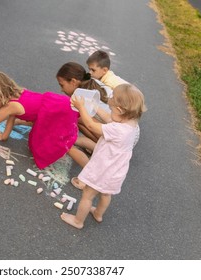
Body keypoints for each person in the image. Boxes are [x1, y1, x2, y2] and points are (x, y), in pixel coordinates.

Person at [0, 72, 89, 169]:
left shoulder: (9, 106)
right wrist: (4, 136)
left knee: (65, 145)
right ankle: (97, 148)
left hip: (56, 113)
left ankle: (90, 172)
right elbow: (12, 117)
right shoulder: (18, 92)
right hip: (59, 105)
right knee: (72, 136)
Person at [61, 84, 147, 229]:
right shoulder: (131, 125)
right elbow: (109, 118)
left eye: (112, 108)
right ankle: (98, 214)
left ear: (120, 111)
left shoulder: (117, 130)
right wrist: (95, 106)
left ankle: (78, 221)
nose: (110, 111)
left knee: (88, 195)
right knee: (106, 194)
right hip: (116, 172)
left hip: (103, 170)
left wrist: (81, 107)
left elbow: (90, 125)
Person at [56, 62, 109, 151]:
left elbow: (89, 124)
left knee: (77, 118)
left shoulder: (81, 96)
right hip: (126, 131)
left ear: (73, 81)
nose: (61, 89)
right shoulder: (92, 81)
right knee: (78, 117)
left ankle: (102, 147)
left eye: (62, 85)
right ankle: (100, 144)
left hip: (117, 137)